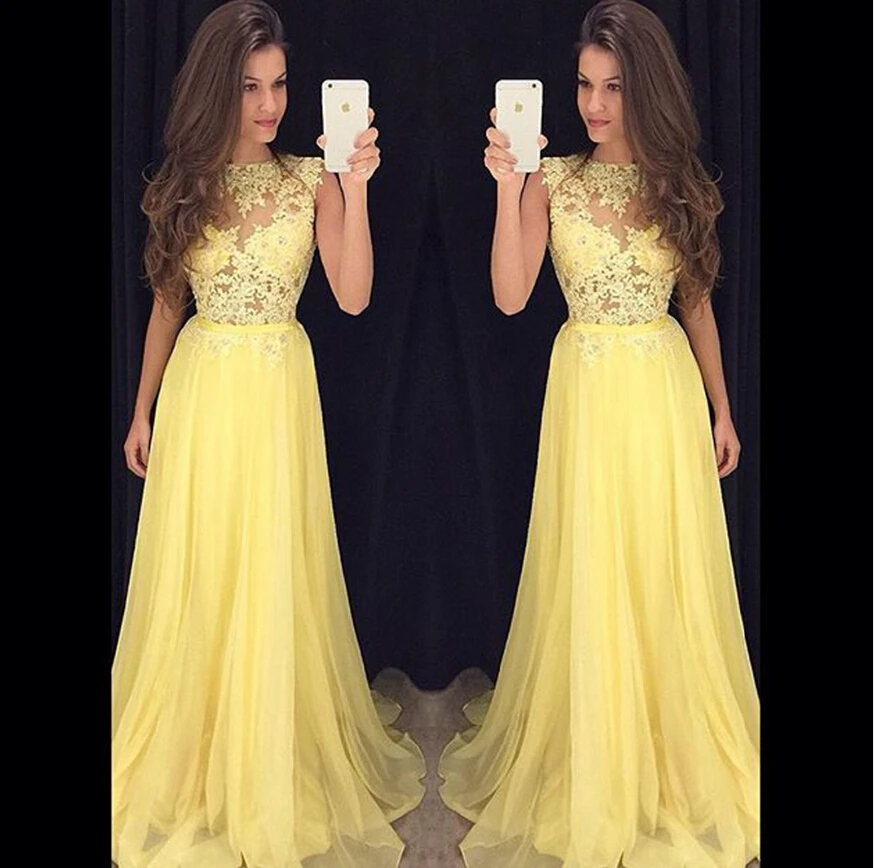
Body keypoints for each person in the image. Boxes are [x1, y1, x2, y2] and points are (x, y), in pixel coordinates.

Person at [438, 2, 760, 866]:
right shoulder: (555, 179)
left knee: (659, 572)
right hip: (584, 395)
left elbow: (696, 303)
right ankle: (597, 762)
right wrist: (509, 187)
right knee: (592, 573)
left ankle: (663, 760)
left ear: (645, 88)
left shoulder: (677, 184)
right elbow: (511, 294)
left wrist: (722, 408)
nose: (594, 104)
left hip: (660, 396)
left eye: (613, 86)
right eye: (584, 85)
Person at [112, 3, 424, 866]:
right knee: (205, 573)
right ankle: (201, 759)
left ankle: (267, 758)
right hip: (203, 397)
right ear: (218, 88)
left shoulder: (309, 178)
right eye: (250, 87)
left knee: (272, 572)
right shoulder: (187, 184)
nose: (269, 104)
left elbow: (353, 295)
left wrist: (355, 188)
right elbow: (166, 306)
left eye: (279, 85)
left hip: (279, 395)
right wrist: (141, 410)